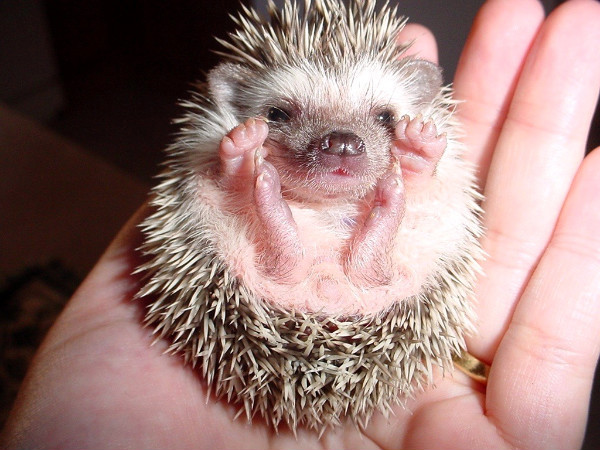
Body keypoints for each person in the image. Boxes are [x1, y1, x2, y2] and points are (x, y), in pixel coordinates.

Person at [1, 0, 599, 448]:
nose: (339, 142)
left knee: (412, 196)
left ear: (416, 100)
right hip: (304, 278)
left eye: (381, 118)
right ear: (234, 103)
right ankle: (339, 241)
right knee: (222, 199)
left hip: (341, 280)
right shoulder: (230, 143)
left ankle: (311, 233)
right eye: (283, 113)